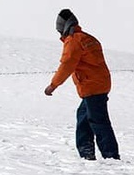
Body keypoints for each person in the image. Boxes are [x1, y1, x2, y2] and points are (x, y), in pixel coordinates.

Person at [44, 9, 120, 160]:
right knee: (84, 118)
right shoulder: (87, 38)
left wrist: (53, 85)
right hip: (99, 84)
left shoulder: (73, 41)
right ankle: (86, 153)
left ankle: (110, 156)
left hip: (91, 86)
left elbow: (67, 65)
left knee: (98, 121)